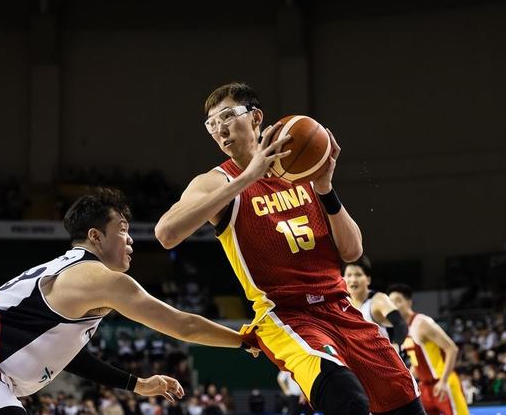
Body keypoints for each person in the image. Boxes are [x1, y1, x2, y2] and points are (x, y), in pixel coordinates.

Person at [155, 82, 422, 415]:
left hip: (340, 306)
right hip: (285, 314)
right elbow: (166, 233)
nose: (219, 129)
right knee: (347, 398)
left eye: (227, 116)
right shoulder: (217, 181)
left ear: (256, 118)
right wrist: (247, 178)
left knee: (405, 402)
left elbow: (352, 251)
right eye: (211, 123)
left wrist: (325, 188)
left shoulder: (300, 169)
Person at [0, 188, 256, 415]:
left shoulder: (69, 271)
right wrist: (245, 340)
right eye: (122, 229)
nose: (130, 239)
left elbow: (68, 356)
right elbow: (183, 325)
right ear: (95, 236)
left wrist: (137, 384)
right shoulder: (99, 279)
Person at [387, 284, 468, 415]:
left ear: (409, 302)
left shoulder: (422, 323)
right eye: (391, 302)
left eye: (398, 301)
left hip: (443, 383)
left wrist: (443, 381)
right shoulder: (402, 329)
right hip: (425, 387)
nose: (394, 305)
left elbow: (452, 349)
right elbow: (417, 361)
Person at [343, 256, 409, 350]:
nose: (353, 280)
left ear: (368, 279)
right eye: (349, 275)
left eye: (358, 275)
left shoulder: (378, 300)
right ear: (342, 279)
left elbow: (400, 324)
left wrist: (395, 346)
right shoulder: (342, 304)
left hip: (382, 356)